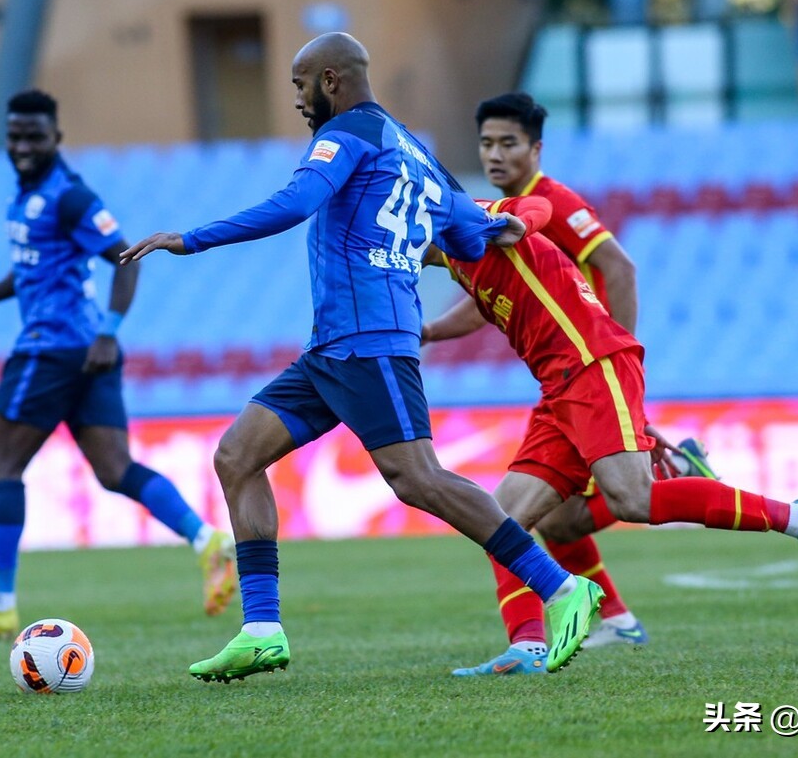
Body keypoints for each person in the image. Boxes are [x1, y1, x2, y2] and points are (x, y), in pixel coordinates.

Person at [120, 33, 604, 682]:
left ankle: (560, 586)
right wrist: (510, 222)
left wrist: (192, 238)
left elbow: (295, 203)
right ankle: (262, 629)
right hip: (335, 347)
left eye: (300, 85)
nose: (296, 99)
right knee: (237, 455)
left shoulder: (346, 134)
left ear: (332, 79)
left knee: (418, 478)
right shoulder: (417, 155)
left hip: (371, 338)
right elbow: (468, 229)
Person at [421, 193, 798, 674]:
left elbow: (536, 208)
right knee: (500, 519)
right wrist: (429, 331)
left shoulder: (471, 216)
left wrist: (518, 224)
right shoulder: (459, 259)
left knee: (634, 498)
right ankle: (527, 648)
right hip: (560, 385)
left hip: (592, 364)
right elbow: (481, 301)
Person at [0, 89, 236, 638]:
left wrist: (109, 332)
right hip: (83, 353)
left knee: (3, 465)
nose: (22, 145)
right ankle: (208, 540)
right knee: (114, 469)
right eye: (15, 135)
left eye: (34, 136)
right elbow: (34, 271)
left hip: (53, 349)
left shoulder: (68, 196)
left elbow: (125, 258)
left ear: (57, 139)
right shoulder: (28, 196)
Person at [469, 91, 719, 656]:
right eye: (487, 143)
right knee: (555, 521)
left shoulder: (548, 202)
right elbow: (486, 290)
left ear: (536, 149)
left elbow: (619, 266)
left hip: (592, 367)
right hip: (565, 375)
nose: (495, 154)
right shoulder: (500, 215)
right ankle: (618, 619)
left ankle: (675, 480)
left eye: (509, 142)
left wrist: (622, 356)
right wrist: (435, 331)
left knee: (584, 505)